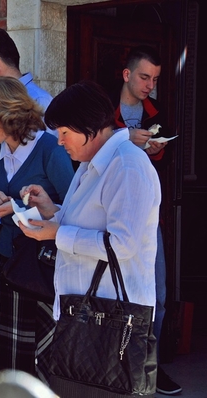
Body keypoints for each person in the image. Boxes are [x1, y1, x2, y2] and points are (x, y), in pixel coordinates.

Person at [18, 80, 160, 398]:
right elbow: (82, 221)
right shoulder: (90, 164)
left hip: (113, 317)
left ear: (89, 127)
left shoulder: (126, 165)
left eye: (64, 132)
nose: (60, 141)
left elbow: (122, 244)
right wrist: (48, 211)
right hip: (86, 312)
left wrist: (58, 233)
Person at [0, 77, 74, 383]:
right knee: (10, 355)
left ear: (8, 115)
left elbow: (71, 208)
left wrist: (16, 205)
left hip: (42, 266)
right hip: (9, 264)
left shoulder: (50, 150)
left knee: (41, 355)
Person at [109, 45, 181, 395]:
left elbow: (166, 164)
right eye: (144, 77)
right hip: (111, 216)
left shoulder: (156, 111)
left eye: (155, 79)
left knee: (158, 295)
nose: (149, 84)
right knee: (113, 295)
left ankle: (149, 368)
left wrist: (156, 150)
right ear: (127, 75)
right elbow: (88, 151)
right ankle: (113, 366)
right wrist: (125, 139)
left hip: (151, 218)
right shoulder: (104, 108)